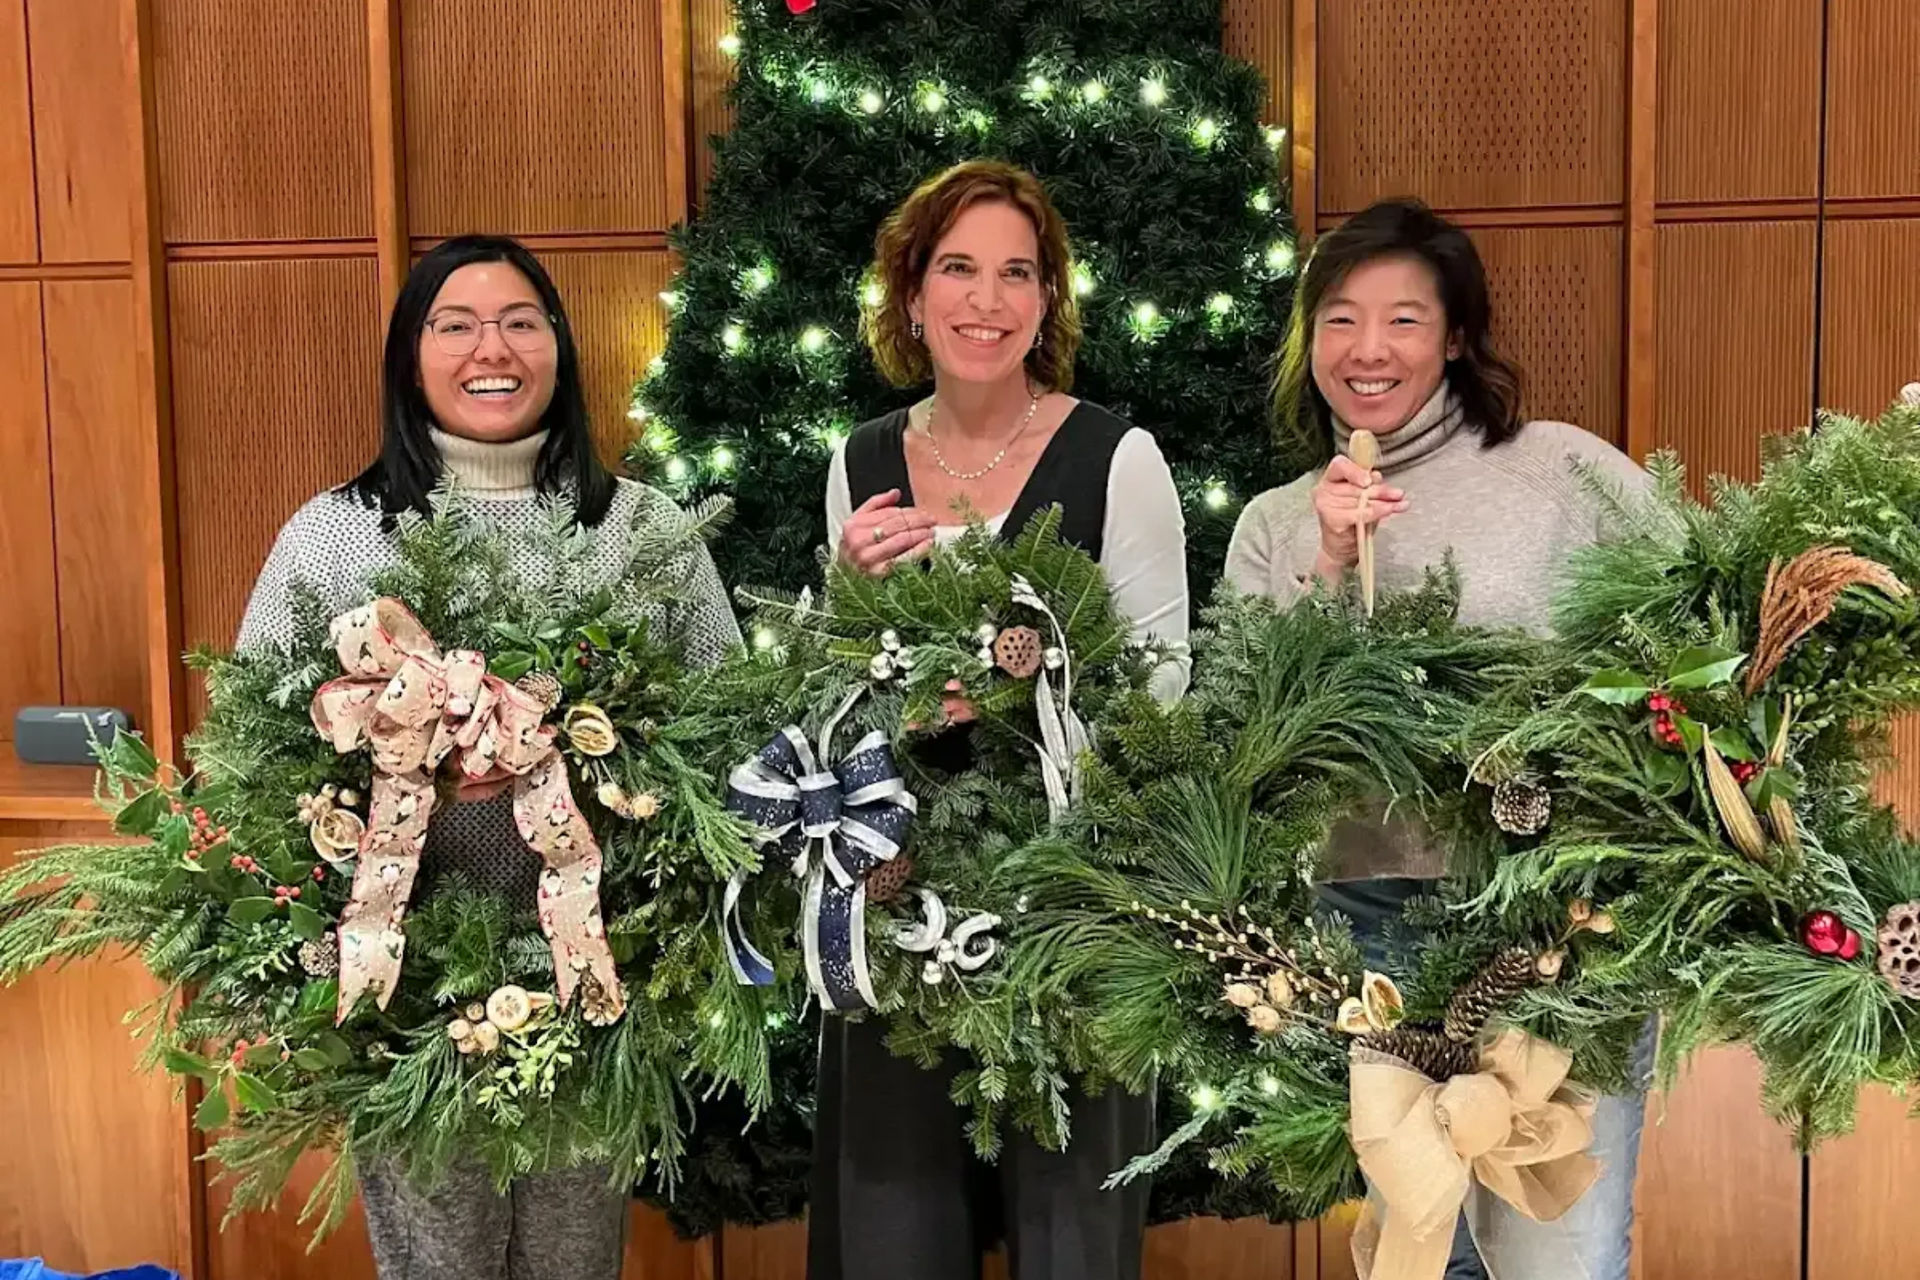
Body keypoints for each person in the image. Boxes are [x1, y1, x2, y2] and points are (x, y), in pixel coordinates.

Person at [237, 235, 740, 1280]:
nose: (490, 348)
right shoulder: (336, 537)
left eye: (519, 320)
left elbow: (724, 718)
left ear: (558, 345)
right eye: (454, 324)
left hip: (597, 976)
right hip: (406, 987)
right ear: (410, 356)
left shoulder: (640, 529)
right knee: (436, 1264)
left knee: (574, 1260)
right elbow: (249, 745)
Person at [1225, 198, 1654, 1280]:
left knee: (1558, 1251)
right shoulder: (1277, 521)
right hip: (1366, 923)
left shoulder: (1563, 473)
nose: (1369, 350)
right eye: (1340, 319)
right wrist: (1324, 562)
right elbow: (1241, 740)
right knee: (1419, 1254)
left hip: (1557, 920)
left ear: (1457, 335)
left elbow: (1693, 636)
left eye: (1405, 319)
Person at [809, 159, 1188, 1280]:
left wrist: (1031, 699)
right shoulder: (860, 462)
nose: (988, 298)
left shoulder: (1120, 457)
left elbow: (1161, 691)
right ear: (912, 296)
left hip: (1070, 897)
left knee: (1076, 1227)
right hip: (897, 887)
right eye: (958, 268)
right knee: (890, 1221)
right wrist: (849, 598)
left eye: (1018, 272)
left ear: (1048, 302)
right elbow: (832, 684)